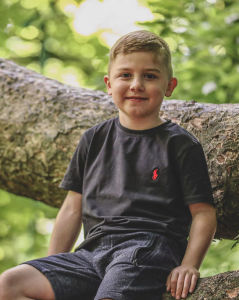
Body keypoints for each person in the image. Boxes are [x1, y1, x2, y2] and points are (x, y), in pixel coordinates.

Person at [0, 30, 217, 300]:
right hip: (91, 253)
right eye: (125, 75)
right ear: (109, 84)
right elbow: (71, 209)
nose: (136, 84)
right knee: (8, 284)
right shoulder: (93, 139)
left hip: (147, 250)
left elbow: (203, 213)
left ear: (170, 86)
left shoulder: (180, 144)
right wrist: (55, 267)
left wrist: (189, 264)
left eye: (149, 76)